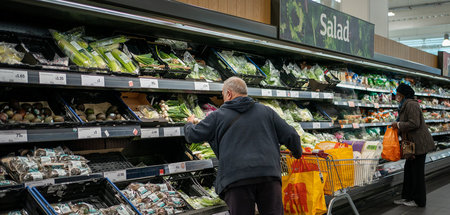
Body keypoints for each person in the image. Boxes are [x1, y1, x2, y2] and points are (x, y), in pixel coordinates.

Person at [184, 77, 302, 215]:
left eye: (222, 95)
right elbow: (291, 135)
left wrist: (189, 123)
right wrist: (297, 152)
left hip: (236, 179)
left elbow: (192, 135)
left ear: (228, 93)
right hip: (268, 175)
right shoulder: (266, 111)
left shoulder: (218, 116)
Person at [391, 83, 435, 207]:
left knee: (417, 173)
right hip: (409, 143)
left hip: (418, 143)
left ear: (403, 94)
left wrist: (398, 125)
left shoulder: (411, 104)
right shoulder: (404, 105)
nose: (396, 97)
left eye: (398, 94)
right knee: (409, 171)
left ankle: (419, 200)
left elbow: (414, 123)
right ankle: (407, 197)